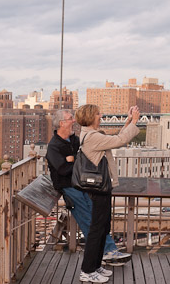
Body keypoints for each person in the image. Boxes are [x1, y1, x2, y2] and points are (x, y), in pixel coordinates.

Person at [46, 109, 131, 269]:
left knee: (96, 219)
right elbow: (63, 170)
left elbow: (80, 160)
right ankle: (105, 253)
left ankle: (107, 251)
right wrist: (75, 163)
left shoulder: (74, 140)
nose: (74, 121)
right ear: (61, 123)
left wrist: (73, 161)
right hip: (69, 188)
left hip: (81, 185)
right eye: (70, 118)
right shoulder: (54, 147)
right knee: (89, 220)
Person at [74, 104, 140, 283]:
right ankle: (87, 270)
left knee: (102, 227)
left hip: (102, 187)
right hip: (98, 188)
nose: (100, 116)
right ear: (90, 117)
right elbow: (119, 141)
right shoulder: (92, 137)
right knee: (97, 229)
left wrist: (127, 122)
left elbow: (115, 137)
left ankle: (95, 266)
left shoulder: (92, 134)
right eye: (97, 113)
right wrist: (134, 122)